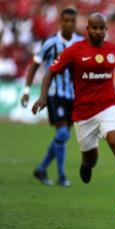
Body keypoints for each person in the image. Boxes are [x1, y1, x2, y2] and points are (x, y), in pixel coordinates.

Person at [32, 13, 115, 195]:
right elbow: (50, 72)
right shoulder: (75, 51)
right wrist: (43, 97)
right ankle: (87, 164)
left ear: (106, 30)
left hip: (109, 106)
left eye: (102, 28)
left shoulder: (113, 51)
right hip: (83, 114)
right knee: (90, 159)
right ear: (88, 29)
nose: (98, 31)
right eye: (94, 27)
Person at [21, 7, 83, 187]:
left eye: (72, 21)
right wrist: (26, 90)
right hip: (55, 92)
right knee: (62, 133)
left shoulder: (80, 42)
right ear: (60, 22)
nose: (69, 24)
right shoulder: (50, 43)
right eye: (66, 21)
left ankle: (41, 169)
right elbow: (34, 66)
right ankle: (62, 176)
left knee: (63, 136)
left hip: (74, 95)